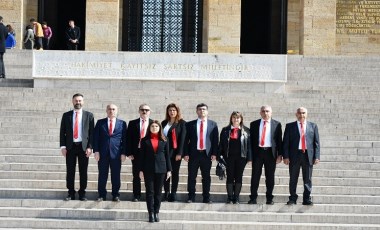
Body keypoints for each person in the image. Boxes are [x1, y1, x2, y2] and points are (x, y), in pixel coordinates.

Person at [59, 93, 94, 201]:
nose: (78, 102)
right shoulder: (66, 115)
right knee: (70, 171)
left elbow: (92, 133)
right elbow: (62, 132)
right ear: (72, 101)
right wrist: (63, 147)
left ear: (83, 102)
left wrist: (90, 147)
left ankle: (82, 193)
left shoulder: (89, 115)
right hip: (70, 147)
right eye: (76, 100)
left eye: (79, 101)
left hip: (83, 147)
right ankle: (71, 193)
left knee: (83, 171)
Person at [283, 107, 320, 205]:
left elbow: (316, 143)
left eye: (303, 113)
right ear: (296, 114)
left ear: (306, 114)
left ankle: (306, 198)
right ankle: (292, 198)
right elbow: (285, 143)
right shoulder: (290, 126)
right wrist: (285, 156)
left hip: (308, 156)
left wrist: (316, 156)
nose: (301, 115)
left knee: (307, 178)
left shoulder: (313, 126)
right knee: (293, 178)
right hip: (294, 155)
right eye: (299, 113)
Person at [248, 105, 283, 205]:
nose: (265, 113)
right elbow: (250, 142)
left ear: (271, 113)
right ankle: (253, 198)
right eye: (263, 111)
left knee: (270, 177)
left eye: (267, 111)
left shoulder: (277, 124)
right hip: (257, 153)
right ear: (260, 113)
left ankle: (269, 198)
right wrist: (250, 157)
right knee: (255, 176)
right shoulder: (254, 124)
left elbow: (279, 141)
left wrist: (280, 154)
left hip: (270, 154)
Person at [185, 103, 219, 203]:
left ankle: (206, 197)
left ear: (207, 111)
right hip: (193, 154)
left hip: (206, 154)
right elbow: (186, 141)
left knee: (206, 177)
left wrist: (214, 153)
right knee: (191, 176)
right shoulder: (190, 124)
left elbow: (215, 140)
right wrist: (186, 153)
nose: (202, 111)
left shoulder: (213, 124)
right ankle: (191, 197)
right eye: (199, 109)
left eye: (204, 109)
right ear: (196, 111)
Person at [93, 104, 127, 202]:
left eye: (113, 109)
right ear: (106, 110)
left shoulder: (122, 123)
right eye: (109, 109)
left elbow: (124, 139)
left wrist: (123, 153)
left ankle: (115, 194)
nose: (111, 111)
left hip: (116, 154)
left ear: (116, 111)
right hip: (102, 153)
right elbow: (96, 138)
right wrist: (96, 151)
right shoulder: (100, 123)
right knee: (102, 175)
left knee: (116, 175)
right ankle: (101, 195)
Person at [139, 121, 172, 223]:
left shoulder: (165, 140)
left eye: (156, 126)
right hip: (148, 169)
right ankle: (151, 213)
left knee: (158, 193)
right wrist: (140, 170)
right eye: (152, 126)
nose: (154, 127)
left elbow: (167, 156)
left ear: (160, 128)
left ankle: (157, 212)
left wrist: (169, 170)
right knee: (150, 192)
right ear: (149, 128)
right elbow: (141, 157)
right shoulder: (144, 140)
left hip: (161, 169)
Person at [218, 111, 251, 204]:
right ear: (231, 119)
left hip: (241, 158)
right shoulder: (225, 130)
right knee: (230, 177)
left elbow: (249, 146)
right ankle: (230, 197)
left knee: (238, 177)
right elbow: (221, 145)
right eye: (234, 117)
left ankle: (236, 197)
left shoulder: (246, 131)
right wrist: (219, 156)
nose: (236, 119)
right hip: (228, 158)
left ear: (241, 119)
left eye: (238, 118)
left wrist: (249, 158)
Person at [126, 104, 153, 201]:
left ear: (150, 112)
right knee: (136, 175)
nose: (144, 111)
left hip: (149, 154)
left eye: (146, 110)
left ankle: (149, 195)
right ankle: (136, 195)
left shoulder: (153, 123)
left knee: (149, 175)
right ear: (139, 111)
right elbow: (128, 139)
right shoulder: (133, 123)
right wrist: (129, 152)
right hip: (136, 153)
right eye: (142, 110)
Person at [161, 103, 186, 202]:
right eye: (170, 110)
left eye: (174, 110)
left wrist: (180, 153)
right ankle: (166, 192)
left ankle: (173, 193)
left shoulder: (182, 123)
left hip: (175, 153)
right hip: (164, 153)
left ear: (177, 112)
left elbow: (183, 139)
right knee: (165, 172)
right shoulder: (163, 123)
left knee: (174, 173)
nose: (172, 112)